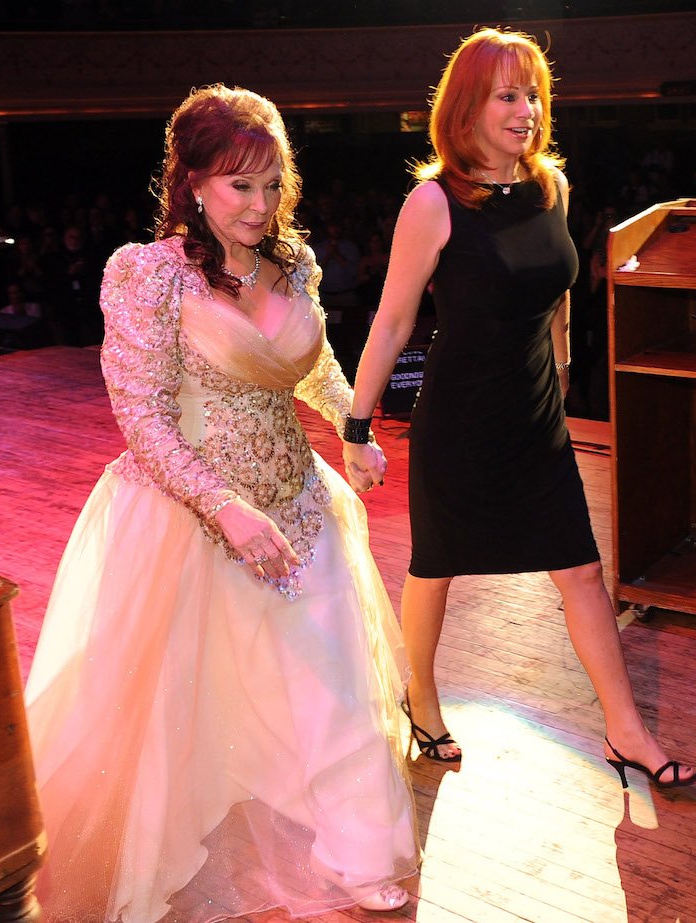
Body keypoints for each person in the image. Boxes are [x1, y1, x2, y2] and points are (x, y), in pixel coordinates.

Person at [23, 85, 418, 922]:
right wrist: (224, 508)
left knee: (336, 681)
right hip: (188, 516)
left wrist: (350, 427)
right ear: (193, 180)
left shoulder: (294, 262)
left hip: (301, 502)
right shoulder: (146, 273)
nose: (261, 203)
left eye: (274, 183)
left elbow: (306, 361)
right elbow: (142, 417)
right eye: (241, 184)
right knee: (170, 711)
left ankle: (357, 851)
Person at [345, 27, 696, 789]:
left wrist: (564, 370)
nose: (527, 109)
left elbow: (559, 288)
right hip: (462, 421)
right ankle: (423, 701)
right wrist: (356, 423)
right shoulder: (433, 202)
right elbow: (393, 319)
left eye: (533, 94)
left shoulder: (552, 186)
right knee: (435, 569)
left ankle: (626, 729)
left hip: (536, 415)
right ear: (467, 108)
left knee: (580, 569)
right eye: (508, 94)